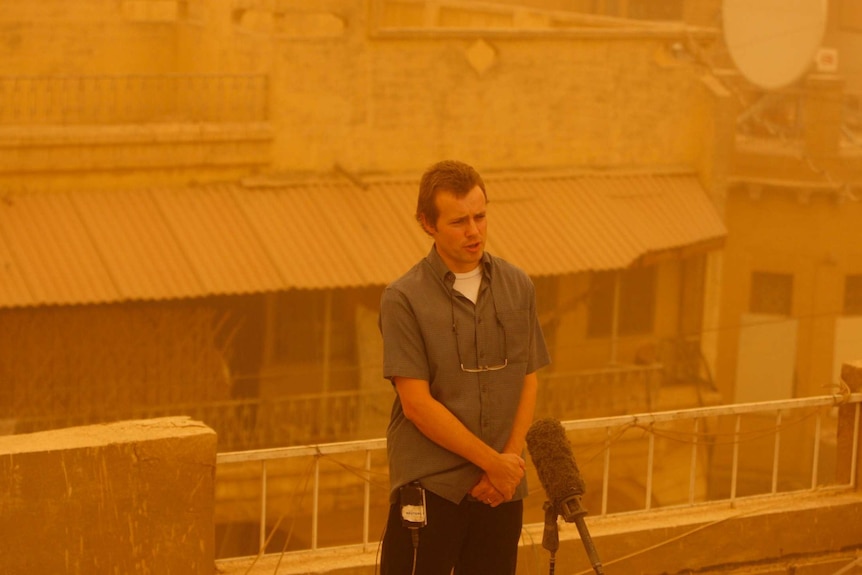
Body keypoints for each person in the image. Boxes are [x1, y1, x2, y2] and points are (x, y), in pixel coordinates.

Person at [378, 160, 551, 574]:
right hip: (432, 487)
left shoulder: (518, 285)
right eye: (459, 221)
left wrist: (507, 465)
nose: (474, 231)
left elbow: (528, 380)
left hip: (502, 489)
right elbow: (416, 404)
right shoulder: (403, 299)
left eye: (480, 216)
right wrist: (492, 463)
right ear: (427, 223)